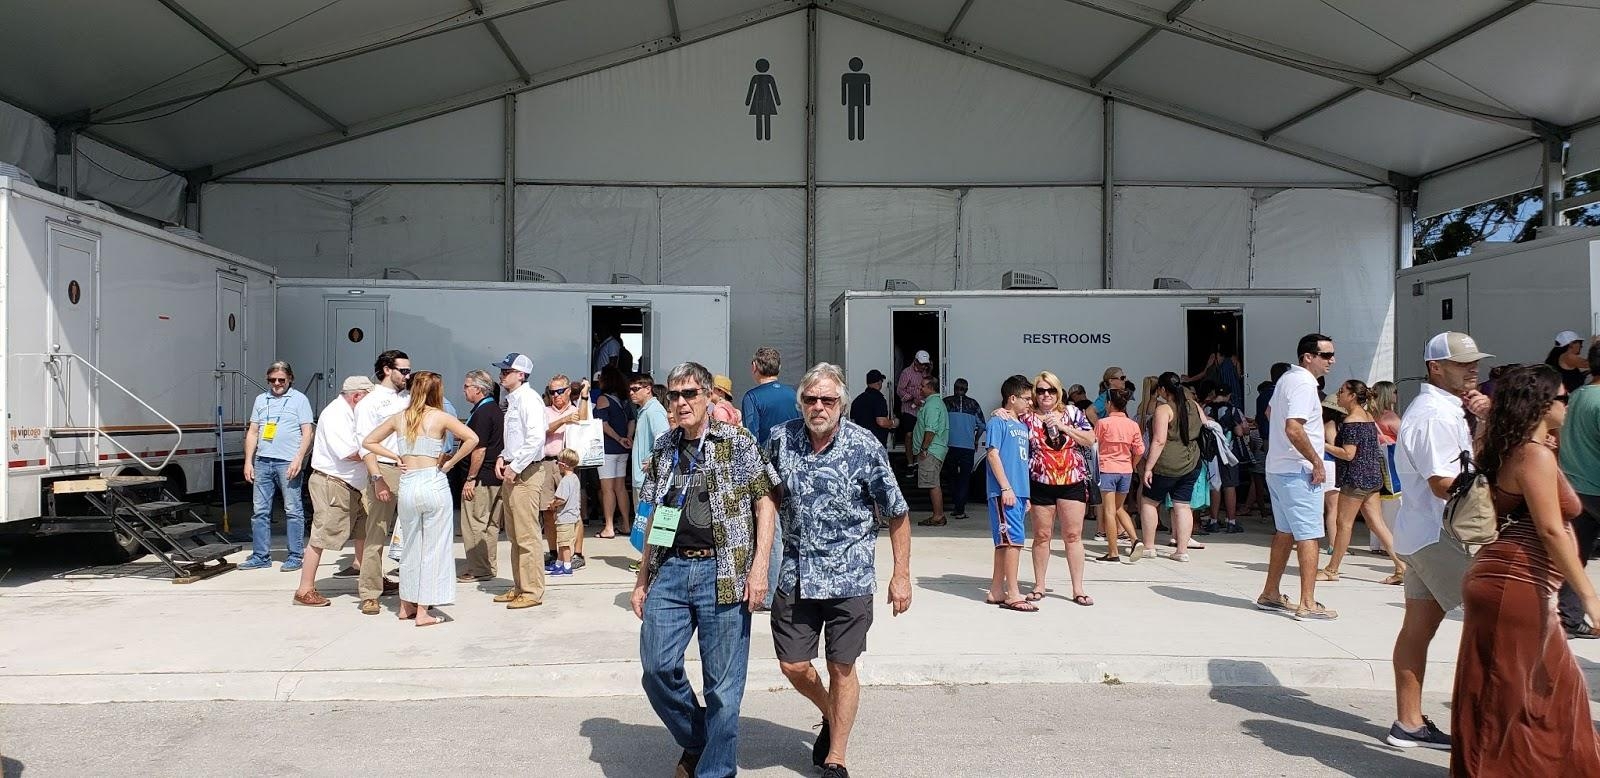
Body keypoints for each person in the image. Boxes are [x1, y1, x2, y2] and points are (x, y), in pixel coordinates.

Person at [631, 362, 778, 778]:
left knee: (723, 691)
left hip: (725, 571)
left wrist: (760, 567)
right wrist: (642, 580)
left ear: (709, 395)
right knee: (657, 669)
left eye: (689, 394)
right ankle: (699, 739)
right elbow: (656, 514)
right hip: (672, 570)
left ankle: (715, 770)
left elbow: (765, 502)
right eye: (674, 395)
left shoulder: (737, 441)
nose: (680, 403)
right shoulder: (663, 447)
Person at [1453, 364, 1600, 774]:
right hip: (1516, 580)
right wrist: (1589, 596)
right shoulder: (1531, 453)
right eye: (1563, 398)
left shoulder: (1521, 447)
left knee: (1520, 684)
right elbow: (1552, 529)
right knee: (1527, 686)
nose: (1568, 405)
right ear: (1542, 404)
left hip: (1508, 578)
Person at [766, 363, 911, 777]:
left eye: (827, 399)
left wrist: (900, 575)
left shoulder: (865, 446)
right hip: (796, 573)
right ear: (801, 403)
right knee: (792, 664)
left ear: (841, 403)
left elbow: (897, 513)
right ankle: (831, 711)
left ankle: (837, 757)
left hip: (850, 575)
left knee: (841, 666)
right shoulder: (781, 440)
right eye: (810, 399)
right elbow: (766, 499)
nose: (818, 406)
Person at [1387, 331, 1492, 749]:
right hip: (1440, 536)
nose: (1474, 368)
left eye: (1474, 360)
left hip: (1421, 534)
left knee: (1417, 630)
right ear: (1436, 367)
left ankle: (1408, 724)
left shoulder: (1443, 409)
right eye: (1464, 362)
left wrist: (1484, 422)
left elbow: (1462, 464)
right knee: (1493, 628)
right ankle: (1482, 728)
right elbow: (1443, 482)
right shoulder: (1434, 414)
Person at [362, 371, 477, 627]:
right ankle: (423, 610)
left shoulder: (399, 418)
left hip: (408, 484)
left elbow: (368, 441)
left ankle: (406, 605)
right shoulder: (440, 416)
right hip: (432, 481)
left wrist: (395, 456)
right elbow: (472, 438)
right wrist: (449, 464)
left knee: (410, 546)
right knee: (434, 548)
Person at [1255, 334, 1338, 621]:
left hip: (1278, 467)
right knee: (1309, 536)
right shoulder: (1304, 383)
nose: (1332, 360)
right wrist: (1316, 461)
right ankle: (1307, 602)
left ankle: (1271, 593)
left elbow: (1270, 413)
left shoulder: (1287, 379)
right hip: (1298, 470)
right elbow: (1294, 427)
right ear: (1308, 356)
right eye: (1326, 355)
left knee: (1285, 532)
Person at [292, 376, 372, 606]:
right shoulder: (336, 414)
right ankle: (304, 589)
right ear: (357, 396)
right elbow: (349, 452)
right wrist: (380, 453)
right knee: (321, 536)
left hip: (351, 485)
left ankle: (370, 577)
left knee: (364, 532)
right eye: (369, 397)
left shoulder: (352, 412)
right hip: (334, 485)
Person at [1319, 380, 1404, 585]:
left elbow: (1348, 454)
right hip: (1372, 477)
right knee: (1377, 523)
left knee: (1344, 524)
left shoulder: (1351, 421)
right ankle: (1401, 566)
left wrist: (1322, 445)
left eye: (1341, 392)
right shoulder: (1367, 417)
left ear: (1352, 396)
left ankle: (1332, 569)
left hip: (1355, 478)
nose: (1338, 395)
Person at [1022, 370, 1097, 604]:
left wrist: (1065, 428)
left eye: (1051, 390)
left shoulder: (1072, 412)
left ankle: (1078, 588)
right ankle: (1039, 585)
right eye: (1041, 390)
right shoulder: (1027, 416)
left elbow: (1090, 438)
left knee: (1073, 535)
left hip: (1071, 480)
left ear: (1059, 391)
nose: (1046, 395)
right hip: (1040, 481)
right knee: (1042, 536)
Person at [239, 361, 316, 571]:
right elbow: (253, 431)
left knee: (293, 509)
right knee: (260, 511)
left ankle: (295, 555)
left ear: (290, 379)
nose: (277, 384)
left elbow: (307, 432)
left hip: (287, 463)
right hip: (263, 461)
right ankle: (261, 555)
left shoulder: (299, 400)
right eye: (272, 380)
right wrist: (248, 461)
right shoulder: (261, 400)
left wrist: (299, 458)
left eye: (281, 380)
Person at [353, 350, 411, 615]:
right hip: (385, 470)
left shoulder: (409, 398)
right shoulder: (370, 402)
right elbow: (366, 445)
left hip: (411, 469)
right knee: (376, 532)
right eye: (403, 370)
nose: (407, 375)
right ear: (387, 370)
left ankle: (411, 592)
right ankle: (369, 592)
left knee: (413, 534)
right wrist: (377, 478)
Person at [492, 352, 550, 610]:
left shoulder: (529, 399)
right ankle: (519, 585)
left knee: (527, 535)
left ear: (522, 375)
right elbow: (516, 438)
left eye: (507, 371)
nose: (502, 375)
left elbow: (536, 438)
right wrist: (503, 457)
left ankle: (532, 590)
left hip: (526, 472)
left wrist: (514, 466)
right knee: (515, 535)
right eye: (502, 371)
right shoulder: (513, 400)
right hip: (515, 469)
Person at [1132, 372, 1204, 565]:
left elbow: (1159, 440)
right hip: (1191, 461)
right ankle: (1181, 551)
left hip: (1167, 464)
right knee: (1182, 505)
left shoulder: (1164, 409)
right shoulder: (1194, 405)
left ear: (1163, 389)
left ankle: (1149, 547)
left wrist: (1148, 467)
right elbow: (1206, 425)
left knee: (1149, 502)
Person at [1559, 340, 1600, 639]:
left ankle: (1570, 618)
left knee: (1575, 556)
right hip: (1597, 486)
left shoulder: (1577, 397)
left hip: (1576, 489)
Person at [985, 375, 1035, 612]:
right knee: (1013, 542)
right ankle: (1012, 592)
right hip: (1005, 491)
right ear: (1012, 398)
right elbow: (993, 454)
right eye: (1025, 398)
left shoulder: (1022, 425)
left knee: (1005, 543)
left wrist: (1025, 495)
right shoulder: (998, 422)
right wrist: (1006, 487)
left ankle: (997, 589)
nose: (1029, 403)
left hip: (1019, 492)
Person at [457, 370, 504, 583]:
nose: (464, 390)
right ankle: (488, 565)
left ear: (478, 389)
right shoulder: (493, 409)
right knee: (490, 525)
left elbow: (479, 449)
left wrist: (470, 478)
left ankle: (479, 569)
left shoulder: (483, 413)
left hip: (482, 477)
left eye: (467, 386)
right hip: (494, 477)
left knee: (475, 523)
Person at [542, 374, 590, 569]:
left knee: (573, 511)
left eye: (560, 391)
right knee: (548, 509)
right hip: (547, 462)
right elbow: (542, 430)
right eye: (552, 392)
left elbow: (586, 422)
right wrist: (564, 420)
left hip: (569, 465)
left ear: (569, 391)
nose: (556, 396)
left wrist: (584, 396)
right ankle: (555, 552)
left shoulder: (575, 409)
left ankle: (577, 553)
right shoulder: (544, 411)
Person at [1094, 388, 1143, 563]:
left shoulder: (1103, 423)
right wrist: (1133, 464)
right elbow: (1139, 450)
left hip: (1107, 469)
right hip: (1126, 471)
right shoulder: (1132, 424)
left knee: (1109, 511)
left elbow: (1094, 443)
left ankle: (1113, 552)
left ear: (1108, 403)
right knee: (1118, 508)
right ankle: (1135, 539)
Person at [593, 366, 633, 543]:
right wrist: (627, 438)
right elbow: (632, 420)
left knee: (607, 488)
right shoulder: (625, 400)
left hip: (609, 449)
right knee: (621, 487)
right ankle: (626, 524)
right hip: (623, 449)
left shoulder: (603, 399)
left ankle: (609, 526)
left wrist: (618, 438)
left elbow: (602, 424)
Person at [1202, 384, 1247, 534]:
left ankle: (1213, 521)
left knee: (1215, 485)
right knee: (1230, 485)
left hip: (1211, 452)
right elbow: (1240, 432)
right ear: (1229, 395)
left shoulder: (1205, 409)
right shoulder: (1233, 410)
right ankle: (1231, 522)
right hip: (1229, 452)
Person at [910, 376, 950, 527]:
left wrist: (924, 448)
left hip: (931, 450)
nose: (920, 389)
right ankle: (938, 515)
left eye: (922, 386)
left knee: (933, 483)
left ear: (931, 387)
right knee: (933, 482)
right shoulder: (933, 403)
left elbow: (930, 429)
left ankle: (938, 516)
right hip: (934, 449)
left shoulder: (932, 405)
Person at [741, 346, 801, 445]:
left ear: (754, 366)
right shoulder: (794, 394)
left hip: (765, 458)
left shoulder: (751, 397)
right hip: (792, 455)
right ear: (779, 367)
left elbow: (750, 437)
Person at [942, 378, 983, 520]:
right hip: (968, 446)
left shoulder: (946, 402)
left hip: (950, 445)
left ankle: (956, 504)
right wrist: (976, 439)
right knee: (965, 478)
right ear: (967, 389)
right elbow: (983, 425)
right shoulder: (973, 404)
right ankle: (960, 509)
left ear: (954, 388)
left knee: (951, 476)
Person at [547, 449, 582, 577]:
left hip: (565, 517)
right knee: (562, 543)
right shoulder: (574, 478)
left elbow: (562, 499)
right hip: (573, 516)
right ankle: (558, 563)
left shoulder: (565, 481)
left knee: (564, 544)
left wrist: (552, 504)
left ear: (562, 465)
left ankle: (567, 566)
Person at [895, 351, 932, 455]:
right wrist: (912, 398)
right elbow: (899, 390)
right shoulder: (906, 373)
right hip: (909, 410)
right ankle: (910, 462)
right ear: (915, 361)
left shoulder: (926, 372)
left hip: (922, 409)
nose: (924, 366)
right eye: (921, 364)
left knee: (920, 434)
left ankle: (917, 460)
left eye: (926, 364)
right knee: (909, 435)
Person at [848, 369, 895, 448]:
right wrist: (893, 423)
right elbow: (881, 422)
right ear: (879, 383)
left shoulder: (857, 400)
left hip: (861, 443)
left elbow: (853, 423)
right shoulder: (879, 399)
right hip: (877, 443)